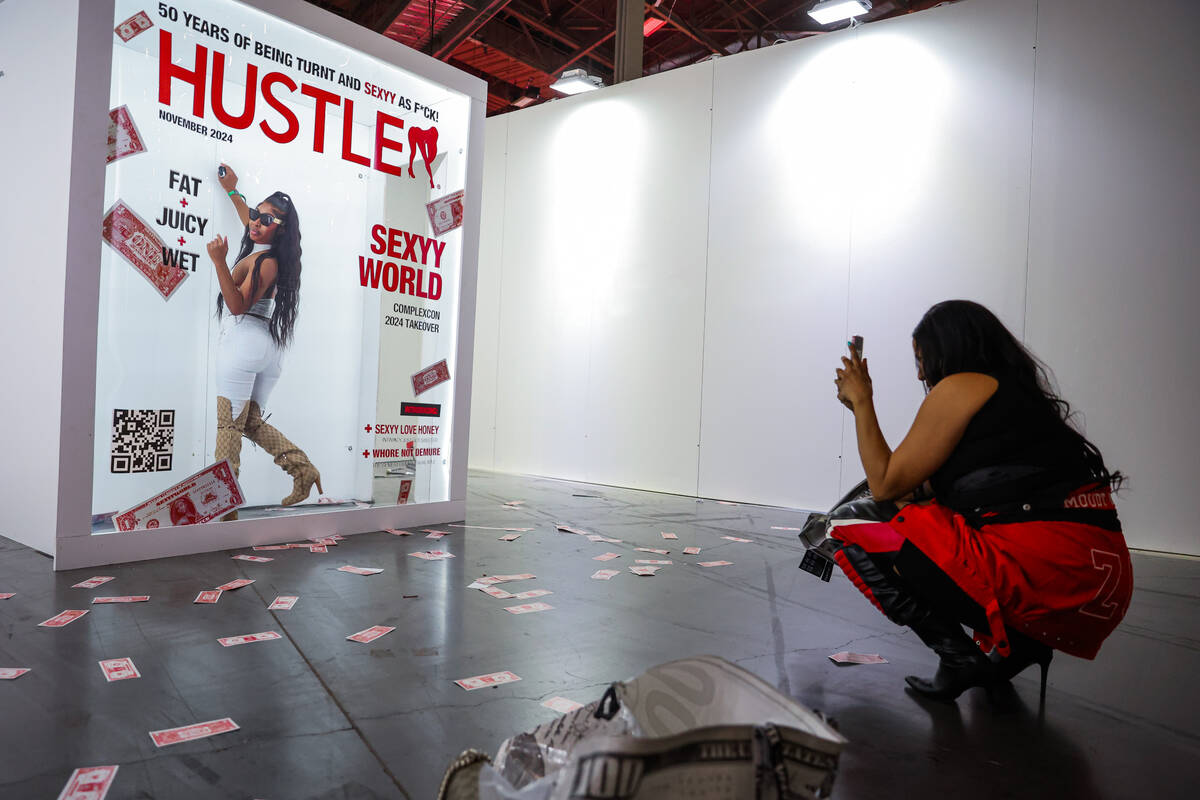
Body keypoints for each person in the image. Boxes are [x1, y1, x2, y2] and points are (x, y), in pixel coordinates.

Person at [829, 299, 1131, 704]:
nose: (920, 372)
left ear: (948, 349)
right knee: (915, 516)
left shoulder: (961, 386)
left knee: (848, 525)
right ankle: (1024, 645)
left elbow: (883, 486)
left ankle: (957, 658)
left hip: (1049, 572)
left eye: (922, 358)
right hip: (1097, 584)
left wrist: (863, 402)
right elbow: (910, 490)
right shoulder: (1016, 398)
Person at [205, 164, 322, 520]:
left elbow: (237, 304)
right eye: (256, 215)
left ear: (281, 231)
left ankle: (225, 512)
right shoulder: (268, 251)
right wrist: (233, 191)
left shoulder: (267, 263)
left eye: (266, 220)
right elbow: (251, 220)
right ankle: (303, 471)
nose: (255, 223)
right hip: (263, 346)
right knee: (250, 423)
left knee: (229, 427)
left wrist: (219, 262)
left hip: (243, 343)